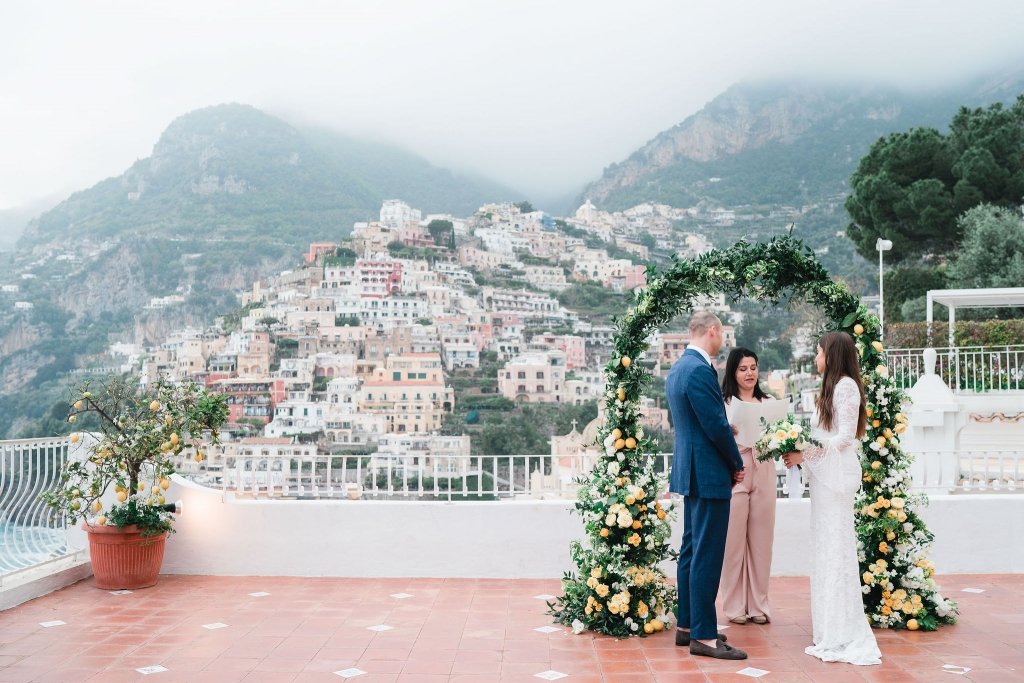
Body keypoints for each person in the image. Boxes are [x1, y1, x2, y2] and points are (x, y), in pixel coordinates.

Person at [783, 331, 882, 666]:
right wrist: (799, 451)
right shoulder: (830, 388)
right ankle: (828, 627)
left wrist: (806, 454)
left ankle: (842, 630)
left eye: (818, 350)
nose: (815, 356)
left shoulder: (846, 387)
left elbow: (843, 438)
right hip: (824, 482)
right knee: (824, 549)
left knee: (836, 549)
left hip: (836, 481)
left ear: (832, 354)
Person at [666, 311, 748, 660]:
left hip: (691, 470)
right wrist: (736, 462)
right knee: (707, 554)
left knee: (691, 549)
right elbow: (714, 423)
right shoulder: (699, 369)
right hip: (709, 473)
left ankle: (686, 626)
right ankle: (704, 635)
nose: (723, 341)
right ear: (712, 331)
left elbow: (689, 421)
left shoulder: (677, 368)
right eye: (722, 334)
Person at [720, 348, 777, 625]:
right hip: (736, 472)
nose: (749, 373)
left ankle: (758, 605)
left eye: (753, 367)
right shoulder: (724, 403)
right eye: (743, 368)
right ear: (733, 372)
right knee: (732, 543)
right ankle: (733, 607)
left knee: (762, 542)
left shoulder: (768, 401)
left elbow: (780, 434)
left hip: (765, 468)